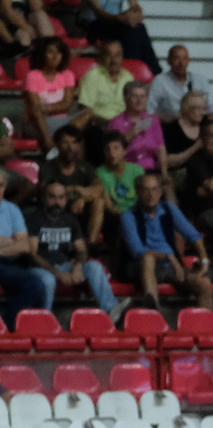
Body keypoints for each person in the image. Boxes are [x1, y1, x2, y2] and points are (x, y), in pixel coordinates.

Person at [26, 179, 122, 320]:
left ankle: (111, 310)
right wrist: (59, 274)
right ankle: (44, 319)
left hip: (64, 265)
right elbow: (32, 254)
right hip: (39, 269)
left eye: (61, 197)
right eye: (52, 197)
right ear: (44, 198)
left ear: (65, 200)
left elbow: (82, 250)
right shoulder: (34, 219)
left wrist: (77, 267)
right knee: (48, 280)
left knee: (94, 266)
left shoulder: (70, 220)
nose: (57, 202)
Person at [147, 45, 213, 170]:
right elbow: (149, 110)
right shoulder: (160, 81)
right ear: (169, 61)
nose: (181, 63)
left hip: (202, 120)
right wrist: (166, 119)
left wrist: (211, 116)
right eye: (176, 58)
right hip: (176, 124)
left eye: (184, 59)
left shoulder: (199, 79)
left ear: (189, 61)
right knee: (167, 131)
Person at [120, 172, 213, 311]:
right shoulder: (129, 215)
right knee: (148, 258)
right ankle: (153, 311)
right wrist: (168, 256)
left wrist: (204, 259)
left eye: (155, 189)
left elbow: (194, 235)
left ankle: (203, 324)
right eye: (146, 190)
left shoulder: (168, 208)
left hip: (169, 266)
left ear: (160, 191)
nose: (151, 194)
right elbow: (137, 250)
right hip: (141, 266)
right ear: (137, 192)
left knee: (204, 283)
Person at [43, 126, 104, 244]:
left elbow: (99, 188)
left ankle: (91, 245)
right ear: (57, 145)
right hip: (57, 208)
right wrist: (79, 192)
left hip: (79, 209)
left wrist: (83, 198)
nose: (70, 147)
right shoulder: (48, 166)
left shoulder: (85, 166)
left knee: (99, 202)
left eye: (74, 143)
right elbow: (49, 191)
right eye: (65, 143)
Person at [76, 40, 133, 166]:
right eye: (109, 55)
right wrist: (108, 122)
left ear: (122, 57)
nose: (114, 60)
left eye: (117, 55)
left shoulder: (128, 77)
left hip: (125, 124)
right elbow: (86, 110)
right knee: (95, 134)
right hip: (100, 124)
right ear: (101, 56)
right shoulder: (92, 76)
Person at [0, 168, 42, 327]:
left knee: (36, 284)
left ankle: (7, 326)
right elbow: (18, 242)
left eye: (1, 185)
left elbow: (25, 245)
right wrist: (10, 241)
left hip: (10, 263)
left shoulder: (12, 209)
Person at [22, 37, 76, 152]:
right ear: (42, 54)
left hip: (63, 121)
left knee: (88, 115)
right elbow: (36, 109)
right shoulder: (33, 76)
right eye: (50, 52)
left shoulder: (68, 75)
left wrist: (47, 108)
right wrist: (54, 108)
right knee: (38, 113)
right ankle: (49, 142)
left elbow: (66, 105)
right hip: (37, 123)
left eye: (59, 52)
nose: (55, 56)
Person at [107, 80, 167, 180]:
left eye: (143, 96)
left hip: (151, 170)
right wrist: (130, 134)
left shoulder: (152, 120)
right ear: (126, 99)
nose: (139, 100)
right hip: (127, 170)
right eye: (135, 96)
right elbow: (111, 153)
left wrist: (164, 174)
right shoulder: (116, 123)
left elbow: (161, 148)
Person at [94, 129, 142, 246]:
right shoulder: (100, 172)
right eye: (108, 149)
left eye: (116, 148)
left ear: (124, 151)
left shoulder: (137, 170)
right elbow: (109, 206)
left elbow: (142, 198)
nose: (111, 152)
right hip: (116, 215)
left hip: (137, 212)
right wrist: (126, 216)